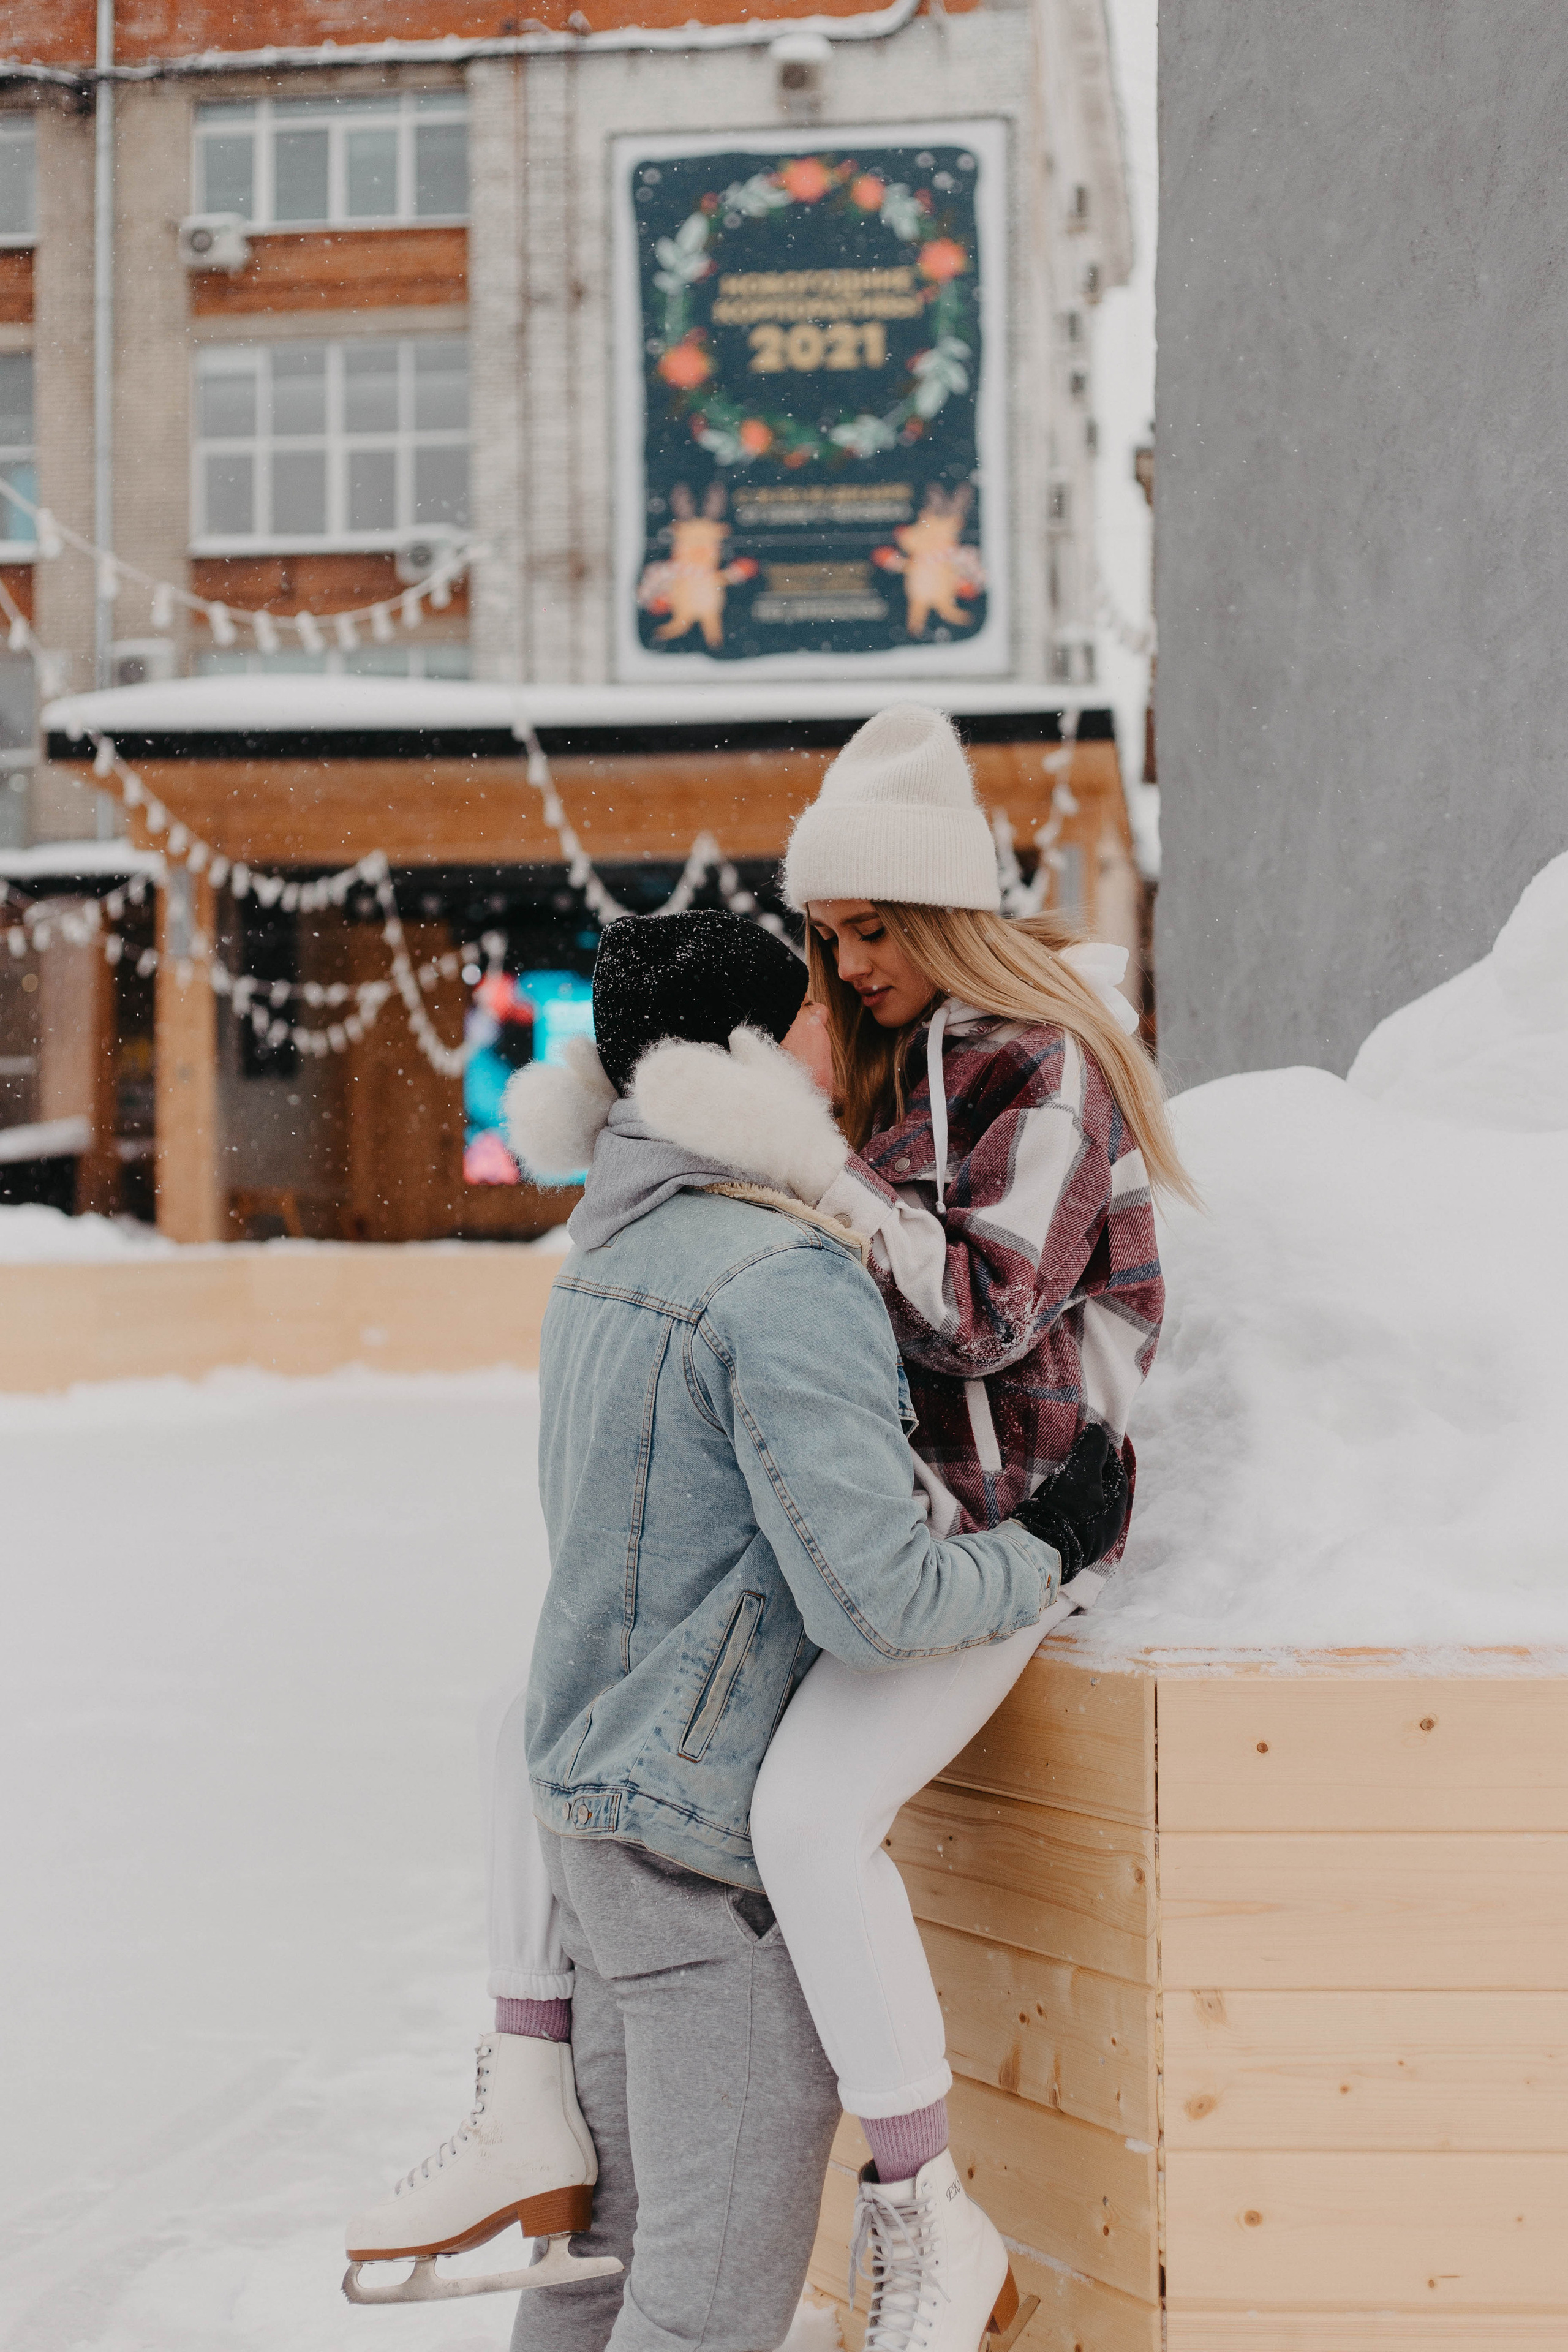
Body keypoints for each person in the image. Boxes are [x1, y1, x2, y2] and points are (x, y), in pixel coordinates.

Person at [347, 702, 1188, 2351]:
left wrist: (800, 1171)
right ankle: (529, 2078)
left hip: (1022, 1504)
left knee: (804, 1821)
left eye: (876, 928)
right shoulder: (876, 1079)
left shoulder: (1043, 1065)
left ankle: (922, 2206)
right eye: (831, 935)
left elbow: (976, 1314)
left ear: (949, 918)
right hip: (909, 1514)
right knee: (524, 1713)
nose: (849, 963)